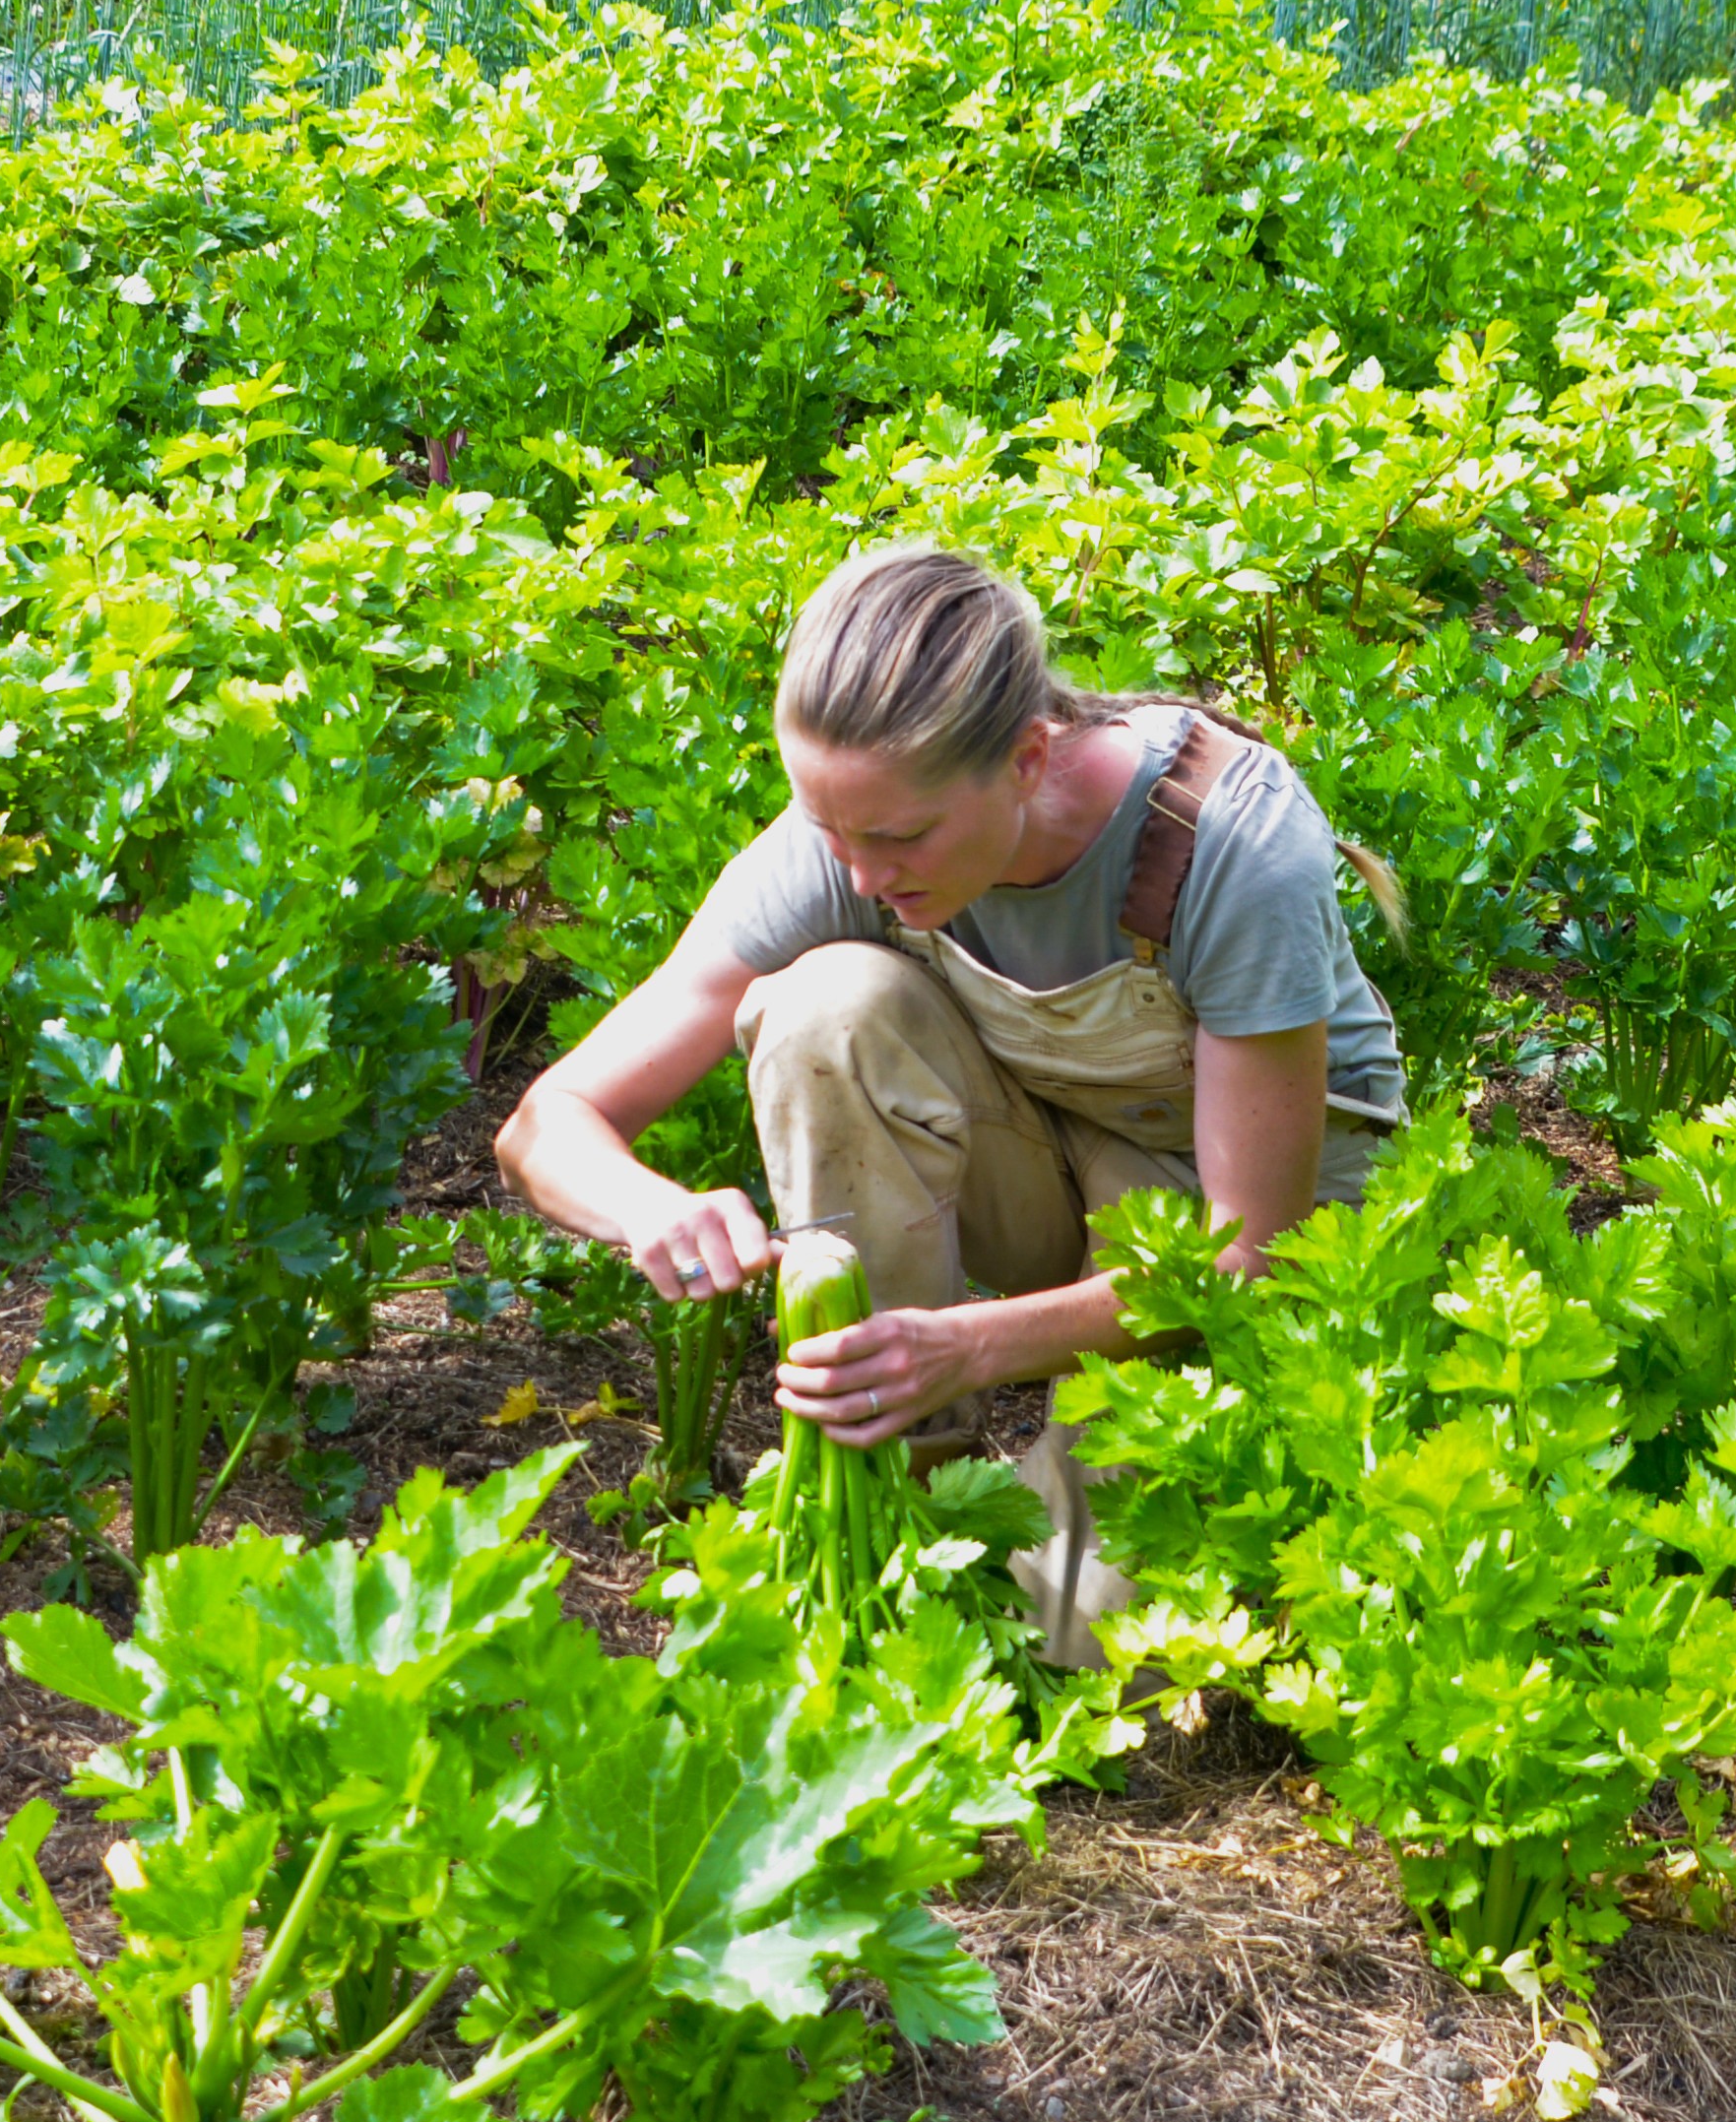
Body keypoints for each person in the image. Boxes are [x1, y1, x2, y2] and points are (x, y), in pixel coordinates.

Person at [498, 545, 1407, 1647]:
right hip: (1044, 1157)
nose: (861, 872)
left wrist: (970, 1341)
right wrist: (649, 1208)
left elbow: (1242, 1259)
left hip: (1240, 1232)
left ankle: (1004, 1509)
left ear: (1027, 758)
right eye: (831, 830)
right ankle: (897, 1496)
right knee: (825, 1005)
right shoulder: (852, 830)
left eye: (900, 837)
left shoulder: (1226, 849)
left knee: (1076, 1649)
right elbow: (548, 1126)